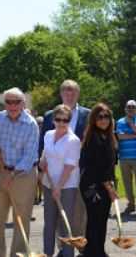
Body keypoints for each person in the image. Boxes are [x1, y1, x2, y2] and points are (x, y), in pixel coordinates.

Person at [0, 87, 39, 257]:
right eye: (8, 102)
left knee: (21, 219)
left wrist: (12, 174)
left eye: (16, 102)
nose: (12, 105)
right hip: (2, 171)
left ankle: (17, 255)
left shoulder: (31, 124)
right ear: (4, 103)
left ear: (23, 103)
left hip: (23, 175)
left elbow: (30, 155)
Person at [40, 80, 91, 242]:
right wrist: (41, 168)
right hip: (51, 176)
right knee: (53, 218)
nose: (69, 95)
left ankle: (76, 248)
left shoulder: (88, 115)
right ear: (61, 94)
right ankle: (61, 248)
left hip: (77, 173)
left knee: (76, 215)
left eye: (73, 92)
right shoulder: (50, 116)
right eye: (66, 92)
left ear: (78, 94)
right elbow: (43, 144)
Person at [39, 105, 81, 257]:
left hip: (67, 186)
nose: (62, 123)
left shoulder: (73, 140)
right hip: (48, 183)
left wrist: (59, 187)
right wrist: (42, 161)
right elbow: (45, 153)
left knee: (65, 222)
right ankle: (47, 253)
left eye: (65, 120)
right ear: (53, 120)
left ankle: (68, 253)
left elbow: (70, 166)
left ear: (69, 121)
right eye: (58, 119)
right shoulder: (48, 134)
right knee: (49, 223)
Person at [77, 103, 118, 257]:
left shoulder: (107, 137)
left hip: (103, 183)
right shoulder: (93, 138)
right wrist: (110, 189)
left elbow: (109, 166)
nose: (103, 120)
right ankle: (93, 252)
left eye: (107, 116)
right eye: (100, 117)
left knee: (101, 220)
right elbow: (98, 168)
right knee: (95, 220)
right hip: (92, 186)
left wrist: (111, 184)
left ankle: (97, 251)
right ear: (94, 119)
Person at [116, 99, 136, 214]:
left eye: (133, 107)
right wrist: (135, 135)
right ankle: (131, 205)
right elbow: (120, 137)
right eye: (128, 107)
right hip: (124, 157)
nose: (131, 109)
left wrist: (131, 125)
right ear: (125, 109)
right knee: (127, 183)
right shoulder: (119, 122)